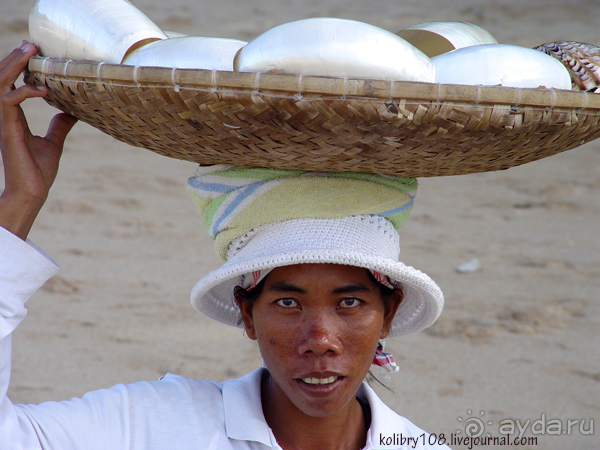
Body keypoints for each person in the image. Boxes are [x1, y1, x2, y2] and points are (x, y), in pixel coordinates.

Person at [0, 42, 450, 450]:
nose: (320, 341)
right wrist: (19, 202)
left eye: (349, 301)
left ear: (388, 314)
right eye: (288, 302)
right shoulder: (158, 423)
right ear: (247, 314)